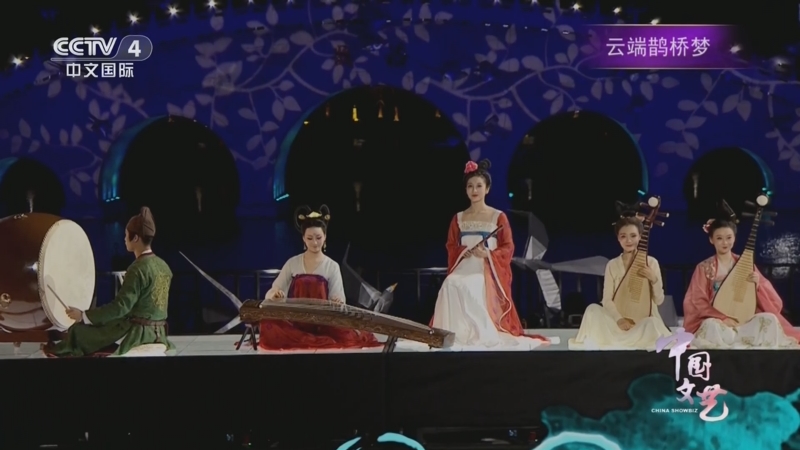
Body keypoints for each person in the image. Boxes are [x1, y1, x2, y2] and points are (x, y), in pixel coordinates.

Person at [430, 160, 547, 350]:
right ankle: (454, 334)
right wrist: (463, 251)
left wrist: (487, 253)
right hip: (464, 264)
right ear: (465, 190)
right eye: (470, 186)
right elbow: (451, 245)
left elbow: (508, 246)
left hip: (486, 267)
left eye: (479, 186)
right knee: (450, 283)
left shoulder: (498, 216)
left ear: (487, 189)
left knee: (471, 286)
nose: (474, 190)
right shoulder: (458, 217)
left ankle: (480, 333)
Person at [44, 207, 175, 357]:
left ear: (136, 238)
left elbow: (120, 307)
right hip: (158, 332)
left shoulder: (137, 269)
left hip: (137, 333)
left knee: (78, 332)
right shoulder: (164, 266)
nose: (124, 239)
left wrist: (84, 316)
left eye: (126, 235)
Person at [259, 205, 381, 351]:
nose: (315, 243)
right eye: (310, 238)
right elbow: (274, 290)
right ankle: (303, 335)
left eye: (318, 238)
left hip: (324, 321)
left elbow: (339, 298)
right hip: (296, 319)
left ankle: (313, 337)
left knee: (348, 335)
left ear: (325, 237)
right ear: (303, 239)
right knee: (268, 323)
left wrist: (337, 301)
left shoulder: (332, 266)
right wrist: (275, 294)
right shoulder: (292, 263)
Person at [683, 216, 800, 349]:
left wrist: (758, 285)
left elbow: (774, 302)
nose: (725, 242)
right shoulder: (704, 268)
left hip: (746, 320)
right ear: (711, 240)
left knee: (769, 319)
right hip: (719, 323)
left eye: (729, 237)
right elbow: (697, 300)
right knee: (711, 326)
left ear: (734, 238)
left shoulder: (745, 264)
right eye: (719, 238)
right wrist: (722, 318)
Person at [569, 214, 671, 350]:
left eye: (633, 236)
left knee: (651, 324)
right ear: (618, 238)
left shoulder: (651, 262)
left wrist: (654, 279)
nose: (628, 240)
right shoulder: (612, 265)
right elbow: (607, 300)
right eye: (623, 236)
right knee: (592, 310)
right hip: (616, 323)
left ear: (640, 237)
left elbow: (659, 300)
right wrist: (619, 319)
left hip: (642, 323)